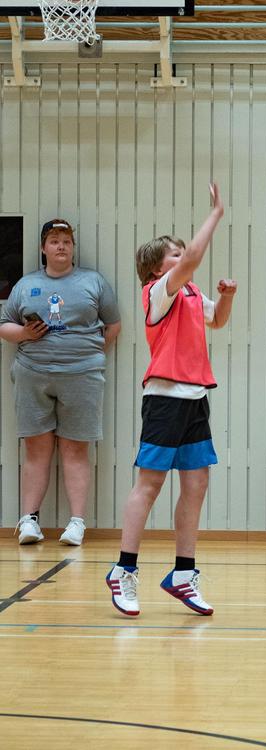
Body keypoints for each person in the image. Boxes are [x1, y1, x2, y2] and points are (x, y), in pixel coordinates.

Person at [106, 183, 237, 618]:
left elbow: (217, 321)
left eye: (182, 254)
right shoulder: (157, 292)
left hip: (196, 397)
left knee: (196, 484)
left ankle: (183, 574)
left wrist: (228, 296)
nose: (184, 259)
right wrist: (215, 213)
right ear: (155, 269)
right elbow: (195, 258)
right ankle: (123, 570)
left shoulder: (193, 293)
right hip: (164, 398)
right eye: (175, 255)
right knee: (150, 484)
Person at [0, 219, 121, 546]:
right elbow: (4, 326)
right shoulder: (26, 285)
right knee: (36, 448)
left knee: (75, 448)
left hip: (83, 376)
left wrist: (88, 355)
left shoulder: (93, 281)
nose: (61, 246)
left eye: (66, 240)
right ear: (43, 248)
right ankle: (29, 521)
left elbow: (113, 325)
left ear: (73, 247)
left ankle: (76, 524)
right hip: (32, 374)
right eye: (54, 240)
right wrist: (25, 333)